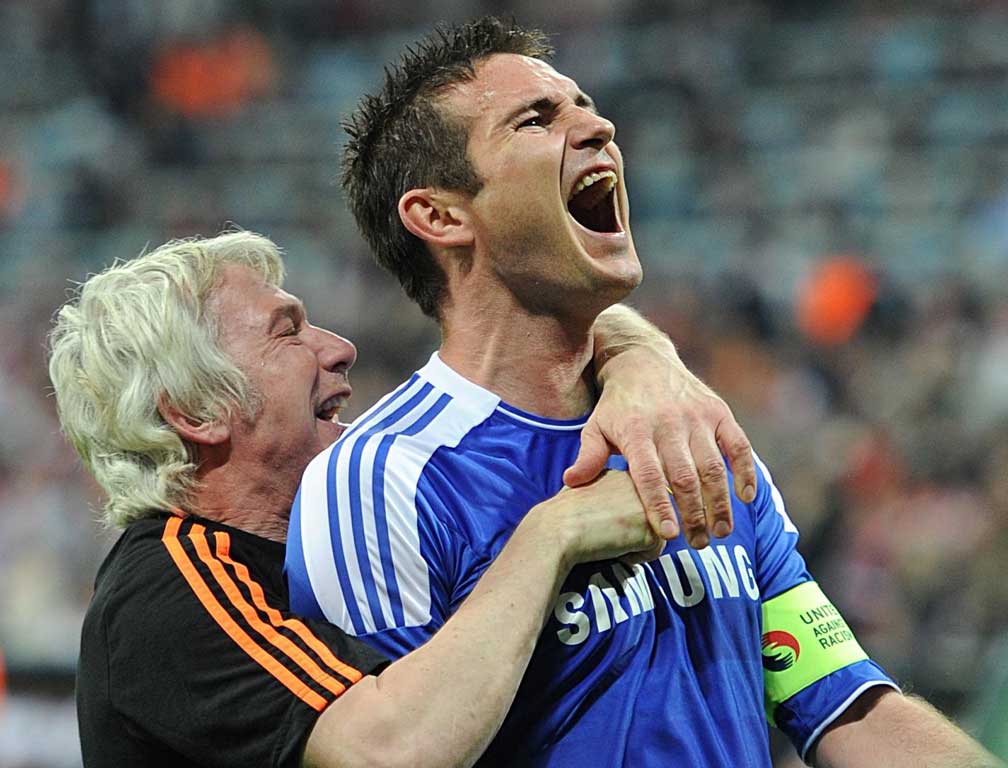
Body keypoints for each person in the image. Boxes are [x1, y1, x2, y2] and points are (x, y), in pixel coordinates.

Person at [286, 17, 1002, 768]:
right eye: (536, 120)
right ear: (439, 215)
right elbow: (388, 749)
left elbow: (839, 701)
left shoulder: (690, 433)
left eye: (585, 105)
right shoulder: (382, 477)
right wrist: (550, 540)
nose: (599, 127)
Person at [51, 231, 754, 767]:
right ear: (196, 412)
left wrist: (637, 356)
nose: (339, 348)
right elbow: (389, 752)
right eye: (287, 332)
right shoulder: (173, 588)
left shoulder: (347, 527)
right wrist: (552, 535)